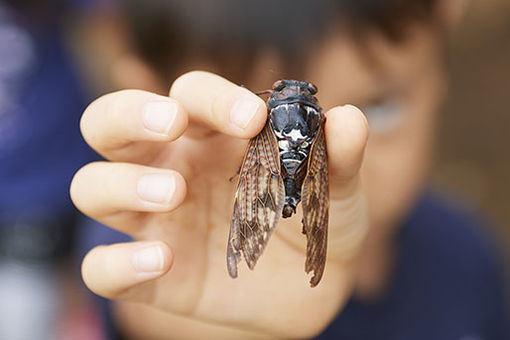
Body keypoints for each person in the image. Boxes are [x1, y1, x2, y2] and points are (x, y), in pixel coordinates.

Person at [71, 0, 510, 339]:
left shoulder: (467, 255)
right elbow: (149, 316)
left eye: (383, 106)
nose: (346, 157)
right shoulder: (150, 229)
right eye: (251, 119)